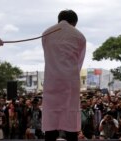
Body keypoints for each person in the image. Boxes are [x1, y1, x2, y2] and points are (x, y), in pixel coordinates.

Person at [41, 9, 86, 141]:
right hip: (70, 81)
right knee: (71, 116)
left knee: (51, 117)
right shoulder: (79, 36)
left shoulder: (46, 33)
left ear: (59, 19)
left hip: (51, 80)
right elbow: (79, 61)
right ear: (74, 22)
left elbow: (47, 54)